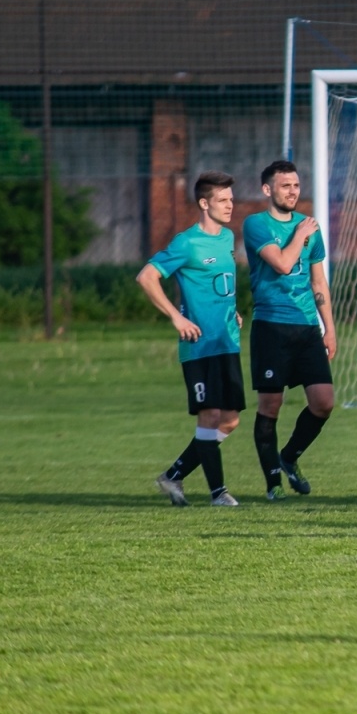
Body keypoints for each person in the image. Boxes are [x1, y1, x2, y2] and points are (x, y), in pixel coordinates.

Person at [140, 172, 245, 508]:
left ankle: (173, 475)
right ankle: (218, 493)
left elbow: (219, 286)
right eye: (223, 200)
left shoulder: (227, 238)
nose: (230, 205)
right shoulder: (187, 243)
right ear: (204, 203)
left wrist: (233, 311)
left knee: (230, 420)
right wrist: (176, 316)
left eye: (231, 199)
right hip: (198, 345)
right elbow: (147, 277)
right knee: (210, 415)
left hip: (227, 341)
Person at [243, 160, 335, 500]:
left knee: (324, 403)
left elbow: (318, 281)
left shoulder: (310, 227)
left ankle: (289, 457)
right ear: (268, 190)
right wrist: (299, 234)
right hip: (271, 327)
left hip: (308, 327)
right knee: (270, 405)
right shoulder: (256, 224)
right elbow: (282, 264)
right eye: (285, 186)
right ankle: (272, 484)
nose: (293, 191)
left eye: (296, 185)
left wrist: (330, 329)